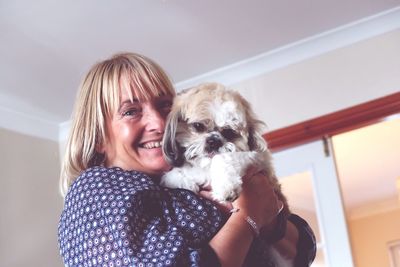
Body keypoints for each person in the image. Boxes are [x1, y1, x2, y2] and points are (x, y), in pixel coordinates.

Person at [58, 52, 316, 267]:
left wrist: (268, 214)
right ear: (99, 136)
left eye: (164, 105)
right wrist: (247, 216)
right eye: (131, 111)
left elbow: (301, 248)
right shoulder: (97, 190)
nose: (159, 123)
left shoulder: (178, 183)